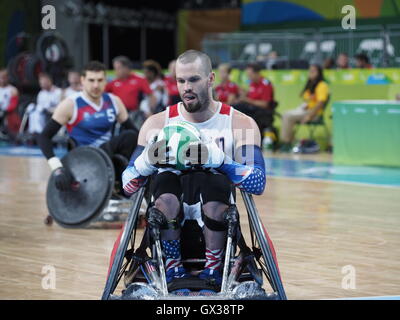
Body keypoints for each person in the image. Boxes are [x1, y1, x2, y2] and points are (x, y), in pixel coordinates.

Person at [122, 50, 266, 286]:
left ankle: (214, 266)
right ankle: (172, 265)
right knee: (165, 178)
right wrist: (145, 163)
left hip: (219, 219)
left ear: (210, 79)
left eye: (194, 79)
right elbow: (127, 185)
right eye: (181, 80)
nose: (186, 87)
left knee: (213, 179)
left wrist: (222, 161)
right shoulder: (156, 124)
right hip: (167, 216)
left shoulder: (241, 124)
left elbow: (258, 183)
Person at [37, 61, 138, 195]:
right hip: (83, 160)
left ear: (105, 81)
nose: (96, 85)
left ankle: (124, 186)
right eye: (91, 80)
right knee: (129, 136)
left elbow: (136, 133)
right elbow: (44, 137)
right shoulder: (71, 104)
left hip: (108, 157)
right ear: (82, 81)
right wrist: (57, 168)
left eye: (100, 80)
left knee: (133, 136)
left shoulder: (114, 101)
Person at [280, 64, 329, 152]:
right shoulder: (310, 85)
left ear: (319, 73)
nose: (310, 73)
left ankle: (286, 143)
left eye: (313, 71)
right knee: (285, 114)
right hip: (305, 110)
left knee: (288, 116)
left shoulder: (322, 85)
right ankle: (291, 141)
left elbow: (320, 103)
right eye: (310, 71)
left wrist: (309, 116)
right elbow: (306, 100)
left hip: (314, 114)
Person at [232, 62, 276, 137]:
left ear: (257, 73)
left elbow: (265, 104)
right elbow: (250, 95)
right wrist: (243, 94)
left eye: (250, 75)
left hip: (262, 111)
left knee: (238, 109)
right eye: (248, 75)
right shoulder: (252, 83)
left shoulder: (265, 84)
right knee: (233, 107)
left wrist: (247, 100)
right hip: (251, 108)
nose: (249, 77)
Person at [0, 69, 20, 140]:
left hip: (8, 113)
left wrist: (5, 110)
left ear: (7, 78)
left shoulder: (13, 90)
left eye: (3, 77)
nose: (2, 80)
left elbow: (14, 105)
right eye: (0, 77)